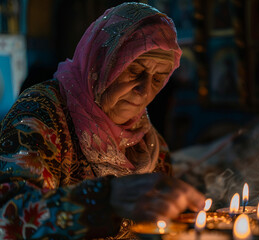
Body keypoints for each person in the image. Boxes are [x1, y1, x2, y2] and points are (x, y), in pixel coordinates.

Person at [0, 2, 205, 239]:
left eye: (158, 78)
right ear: (102, 62)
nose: (145, 90)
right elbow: (8, 215)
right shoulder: (41, 113)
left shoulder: (151, 147)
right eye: (134, 70)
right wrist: (104, 198)